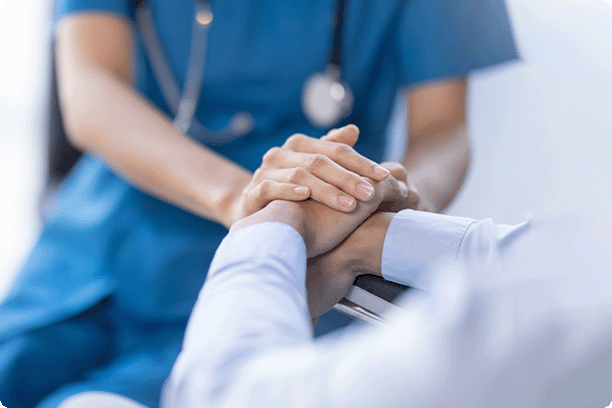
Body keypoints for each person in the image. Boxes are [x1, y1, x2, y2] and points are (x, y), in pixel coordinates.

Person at [0, 1, 517, 407]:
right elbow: (91, 92)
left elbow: (442, 131)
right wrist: (248, 201)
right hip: (111, 238)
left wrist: (393, 200)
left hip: (314, 260)